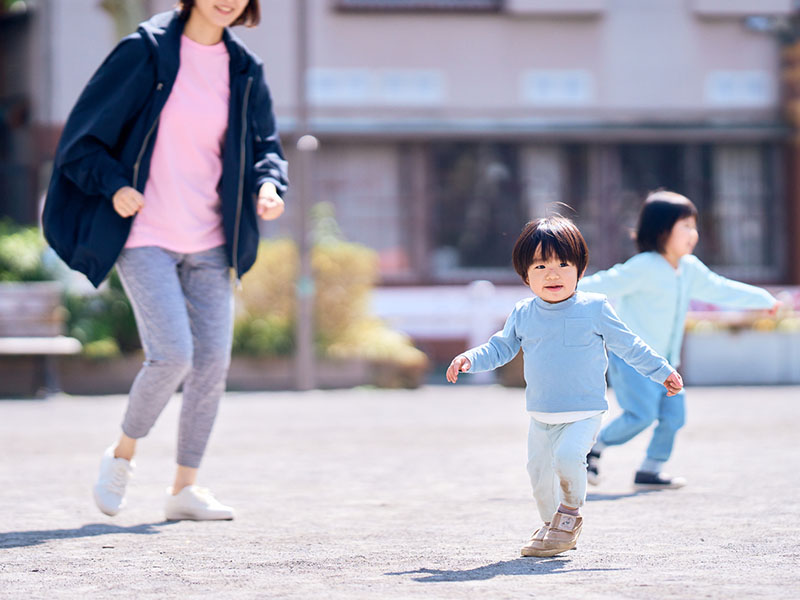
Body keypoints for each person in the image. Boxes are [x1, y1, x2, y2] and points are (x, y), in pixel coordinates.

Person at [42, 0, 288, 520]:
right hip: (146, 233)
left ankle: (184, 489)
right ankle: (121, 455)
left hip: (212, 237)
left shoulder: (244, 68)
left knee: (212, 362)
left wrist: (269, 183)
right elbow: (82, 140)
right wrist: (115, 187)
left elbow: (266, 143)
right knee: (173, 353)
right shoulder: (145, 52)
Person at [446, 216, 683, 557]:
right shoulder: (523, 313)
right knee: (539, 477)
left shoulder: (595, 308)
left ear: (580, 269)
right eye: (540, 265)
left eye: (563, 264)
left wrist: (662, 371)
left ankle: (570, 516)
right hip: (541, 415)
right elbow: (501, 347)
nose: (553, 274)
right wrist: (471, 358)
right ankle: (550, 526)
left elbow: (629, 345)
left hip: (584, 411)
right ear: (525, 274)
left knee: (570, 457)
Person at [579, 191, 778, 490]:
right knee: (641, 416)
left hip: (667, 363)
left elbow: (720, 289)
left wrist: (761, 298)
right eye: (685, 225)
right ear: (661, 230)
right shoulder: (644, 266)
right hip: (633, 360)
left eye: (694, 226)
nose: (693, 234)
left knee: (674, 417)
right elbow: (603, 283)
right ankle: (591, 449)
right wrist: (560, 288)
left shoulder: (690, 269)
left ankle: (650, 469)